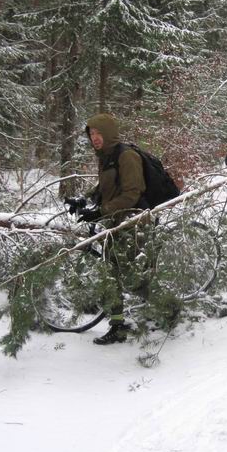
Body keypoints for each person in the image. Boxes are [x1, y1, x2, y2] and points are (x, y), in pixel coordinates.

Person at [77, 112, 147, 345]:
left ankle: (166, 307)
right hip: (116, 223)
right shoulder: (105, 157)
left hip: (135, 222)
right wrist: (84, 200)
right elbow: (104, 188)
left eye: (98, 133)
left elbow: (132, 194)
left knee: (124, 273)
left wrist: (101, 211)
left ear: (108, 133)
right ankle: (118, 325)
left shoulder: (127, 156)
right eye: (92, 134)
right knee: (114, 272)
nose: (95, 138)